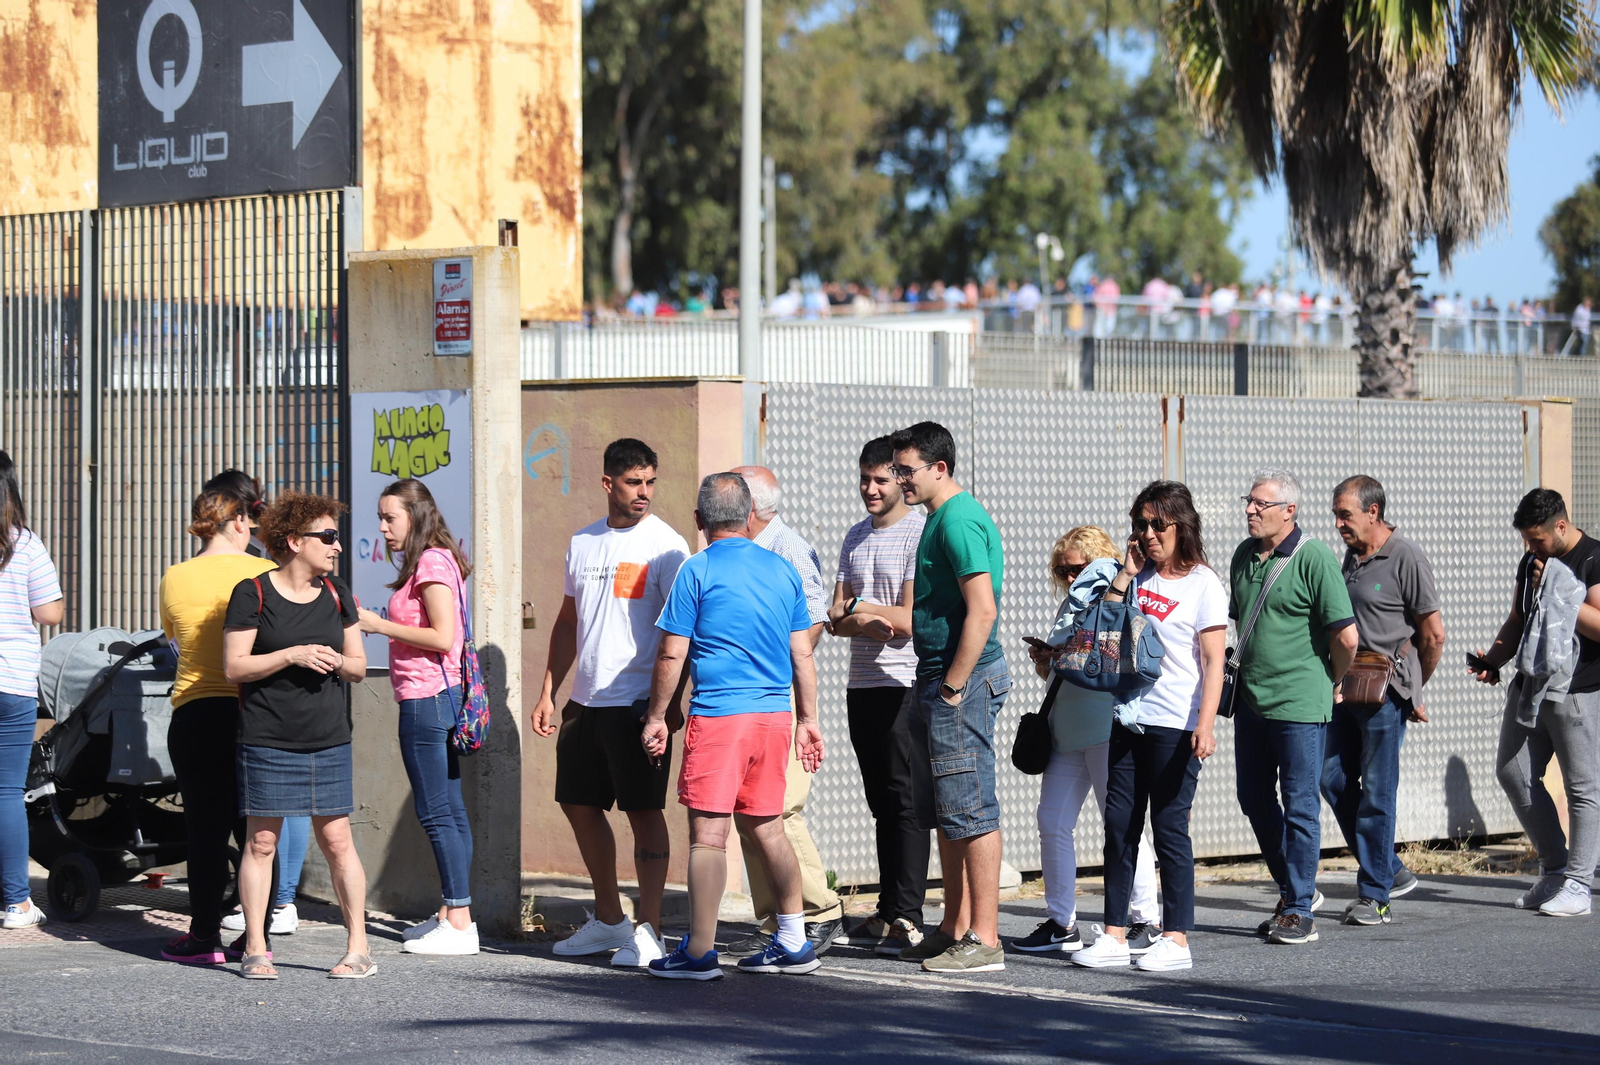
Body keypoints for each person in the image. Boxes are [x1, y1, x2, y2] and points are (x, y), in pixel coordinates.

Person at [642, 473, 825, 980]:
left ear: (699, 521)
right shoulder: (782, 570)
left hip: (721, 717)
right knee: (768, 825)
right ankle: (793, 939)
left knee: (709, 835)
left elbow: (672, 651)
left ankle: (699, 950)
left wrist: (657, 715)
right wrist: (808, 720)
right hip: (773, 717)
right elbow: (802, 652)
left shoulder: (695, 570)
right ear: (749, 518)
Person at [531, 439, 689, 967]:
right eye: (632, 483)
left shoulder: (667, 546)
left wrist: (664, 710)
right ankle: (608, 920)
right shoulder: (584, 542)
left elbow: (683, 633)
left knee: (644, 812)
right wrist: (549, 693)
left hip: (639, 701)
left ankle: (651, 930)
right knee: (578, 803)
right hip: (586, 700)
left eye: (650, 482)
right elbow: (569, 622)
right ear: (607, 484)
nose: (643, 493)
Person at [1068, 485, 1226, 973]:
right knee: (1119, 827)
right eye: (1141, 524)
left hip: (1177, 723)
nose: (1149, 534)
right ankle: (1115, 935)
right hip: (1130, 718)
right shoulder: (1136, 579)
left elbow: (1213, 660)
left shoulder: (1203, 584)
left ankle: (1176, 938)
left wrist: (1206, 725)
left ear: (1183, 527)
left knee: (1170, 829)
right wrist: (1125, 577)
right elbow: (1101, 637)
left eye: (1159, 525)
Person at [222, 493, 372, 979]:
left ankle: (358, 949)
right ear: (293, 541)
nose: (337, 547)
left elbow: (359, 668)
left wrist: (336, 662)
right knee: (262, 842)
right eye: (327, 537)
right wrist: (291, 654)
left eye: (337, 537)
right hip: (267, 736)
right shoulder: (252, 593)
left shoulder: (337, 593)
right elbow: (234, 666)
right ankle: (257, 949)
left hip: (328, 736)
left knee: (337, 841)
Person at [889, 422, 1010, 974]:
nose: (898, 480)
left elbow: (981, 608)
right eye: (896, 469)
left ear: (940, 468)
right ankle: (954, 926)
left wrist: (956, 687)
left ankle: (984, 939)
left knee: (971, 806)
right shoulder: (939, 517)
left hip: (960, 681)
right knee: (947, 810)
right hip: (938, 678)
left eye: (906, 470)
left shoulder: (958, 518)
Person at [1228, 469, 1358, 946]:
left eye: (1260, 504)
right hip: (1251, 701)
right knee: (1253, 797)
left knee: (1301, 804)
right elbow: (1238, 622)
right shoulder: (1243, 556)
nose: (1250, 510)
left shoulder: (1315, 558)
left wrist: (1333, 681)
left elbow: (1346, 636)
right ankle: (1294, 888)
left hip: (1300, 701)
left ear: (1290, 511)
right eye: (1249, 501)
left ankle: (1299, 908)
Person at [1018, 526, 1159, 957]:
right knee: (1052, 822)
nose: (1068, 576)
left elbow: (1108, 656)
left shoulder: (1115, 595)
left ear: (1099, 560)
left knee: (1121, 825)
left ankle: (1146, 919)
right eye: (1062, 570)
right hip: (1066, 727)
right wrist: (1049, 661)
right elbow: (1072, 668)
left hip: (1104, 727)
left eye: (1076, 566)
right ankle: (1062, 922)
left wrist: (1064, 651)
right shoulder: (1072, 604)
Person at [722, 465, 844, 957]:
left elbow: (813, 623)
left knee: (779, 807)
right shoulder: (744, 547)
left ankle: (817, 912)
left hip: (782, 690)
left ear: (751, 506)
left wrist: (775, 664)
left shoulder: (788, 548)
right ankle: (774, 917)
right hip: (752, 694)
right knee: (749, 808)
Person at [357, 479, 479, 955]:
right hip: (437, 696)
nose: (384, 528)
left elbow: (443, 637)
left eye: (391, 517)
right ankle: (453, 913)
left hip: (427, 697)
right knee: (450, 809)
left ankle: (460, 920)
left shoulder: (430, 561)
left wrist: (377, 623)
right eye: (382, 519)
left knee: (435, 812)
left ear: (417, 514)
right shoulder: (437, 558)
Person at [157, 490, 280, 963]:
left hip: (194, 712)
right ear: (238, 523)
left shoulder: (175, 577)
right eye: (249, 519)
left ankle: (203, 936)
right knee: (256, 830)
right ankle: (258, 936)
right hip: (254, 710)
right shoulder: (264, 574)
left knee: (203, 830)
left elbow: (175, 642)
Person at [1472, 489, 1600, 917]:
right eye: (1527, 541)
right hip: (1530, 686)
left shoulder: (1592, 558)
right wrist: (1493, 659)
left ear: (1560, 527)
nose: (1531, 548)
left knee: (1583, 787)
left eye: (1537, 540)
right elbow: (1518, 617)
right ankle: (1555, 868)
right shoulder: (1532, 562)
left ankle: (1580, 884)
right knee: (1513, 772)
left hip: (1578, 691)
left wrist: (1559, 592)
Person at [826, 438, 931, 956]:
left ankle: (909, 915)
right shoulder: (854, 535)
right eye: (864, 479)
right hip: (863, 685)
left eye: (881, 480)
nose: (870, 489)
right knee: (879, 802)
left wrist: (864, 610)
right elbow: (834, 619)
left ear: (901, 481)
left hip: (905, 685)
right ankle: (888, 908)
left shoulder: (919, 532)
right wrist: (865, 620)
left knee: (905, 799)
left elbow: (910, 620)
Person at [1324, 476, 1446, 925]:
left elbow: (1433, 634)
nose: (1338, 523)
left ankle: (1375, 895)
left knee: (1377, 790)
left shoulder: (1406, 555)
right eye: (1336, 515)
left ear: (1373, 512)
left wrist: (1413, 688)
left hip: (1384, 693)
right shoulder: (1354, 556)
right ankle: (1389, 867)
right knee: (1329, 776)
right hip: (1345, 689)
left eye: (1345, 515)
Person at [207, 470, 312, 939]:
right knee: (279, 809)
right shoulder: (251, 565)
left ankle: (283, 901)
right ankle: (279, 902)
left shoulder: (258, 569)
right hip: (265, 696)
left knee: (277, 808)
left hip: (267, 700)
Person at [0, 451, 64, 930]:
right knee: (5, 791)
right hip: (11, 682)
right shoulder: (23, 544)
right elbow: (50, 614)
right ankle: (16, 902)